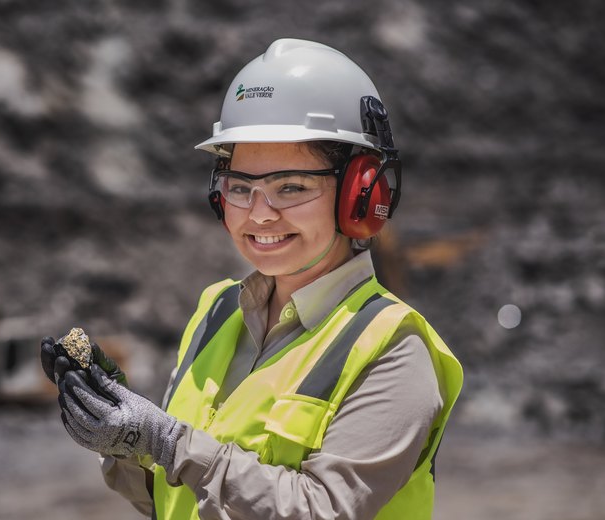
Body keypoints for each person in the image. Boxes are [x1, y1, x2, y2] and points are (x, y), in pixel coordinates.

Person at [41, 38, 463, 520]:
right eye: (240, 187)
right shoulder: (218, 311)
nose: (259, 214)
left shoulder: (393, 347)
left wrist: (167, 440)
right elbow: (176, 500)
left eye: (291, 187)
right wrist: (121, 439)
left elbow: (322, 509)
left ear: (359, 195)